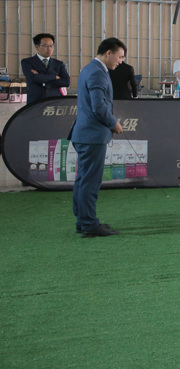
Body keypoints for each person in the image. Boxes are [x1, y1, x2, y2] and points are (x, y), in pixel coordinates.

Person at [71, 37, 126, 237]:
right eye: (119, 57)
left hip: (85, 134)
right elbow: (99, 107)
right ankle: (89, 225)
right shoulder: (97, 72)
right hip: (92, 135)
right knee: (90, 182)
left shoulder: (89, 69)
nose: (121, 61)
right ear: (108, 53)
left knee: (83, 179)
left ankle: (83, 220)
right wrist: (114, 123)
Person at [21, 33, 70, 105]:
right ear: (37, 47)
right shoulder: (27, 62)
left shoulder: (59, 64)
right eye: (45, 46)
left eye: (51, 46)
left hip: (55, 101)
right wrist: (54, 77)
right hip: (36, 102)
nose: (49, 48)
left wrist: (43, 79)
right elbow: (33, 78)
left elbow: (66, 82)